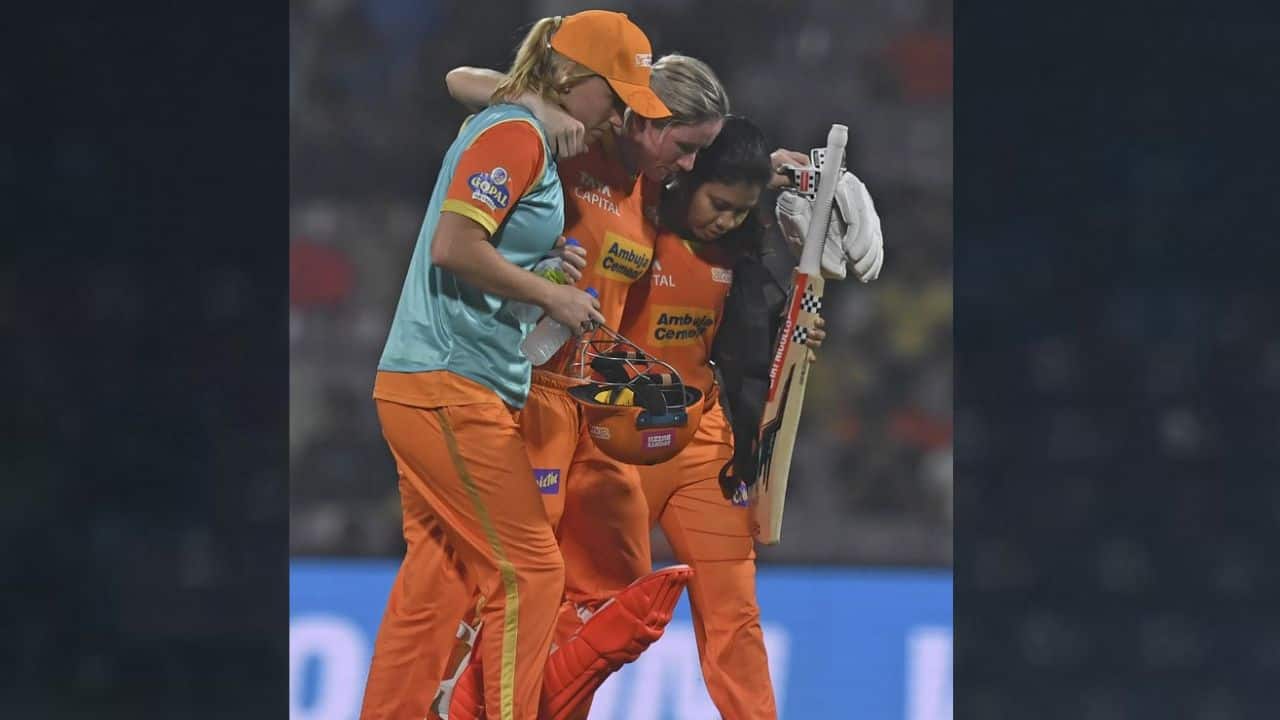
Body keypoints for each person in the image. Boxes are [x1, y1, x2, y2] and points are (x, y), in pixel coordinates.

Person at [359, 11, 669, 720]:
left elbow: (485, 247)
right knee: (530, 574)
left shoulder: (525, 127)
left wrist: (538, 269)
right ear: (569, 77)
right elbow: (453, 246)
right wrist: (548, 298)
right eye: (614, 97)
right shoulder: (515, 132)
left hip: (444, 382)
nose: (619, 116)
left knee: (433, 583)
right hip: (448, 382)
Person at [436, 50, 732, 720]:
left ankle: (514, 700)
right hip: (528, 387)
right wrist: (535, 108)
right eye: (685, 147)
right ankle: (456, 688)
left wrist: (784, 177)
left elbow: (726, 188)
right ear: (646, 119)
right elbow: (459, 81)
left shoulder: (651, 187)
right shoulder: (575, 147)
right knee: (516, 568)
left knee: (618, 583)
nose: (689, 164)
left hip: (596, 400)